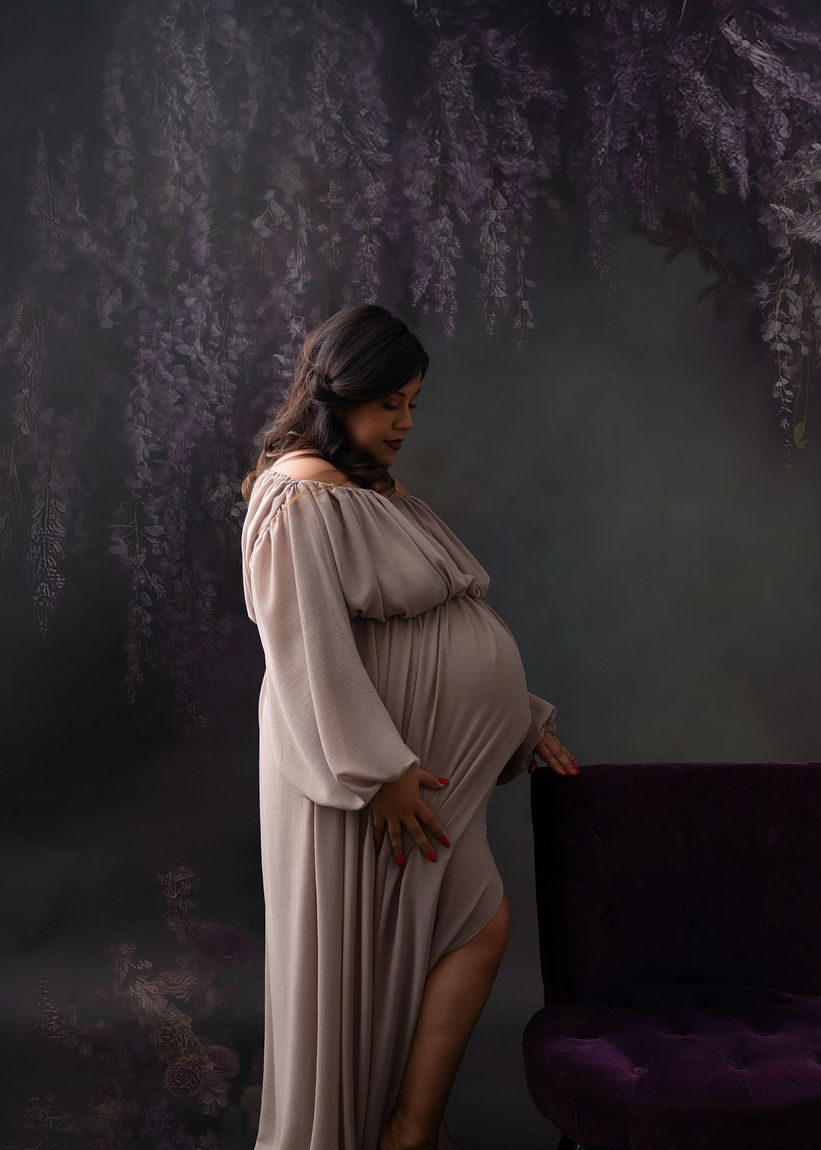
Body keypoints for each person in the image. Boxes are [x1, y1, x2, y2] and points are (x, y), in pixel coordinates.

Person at [239, 304, 579, 1150]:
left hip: (415, 768)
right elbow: (306, 649)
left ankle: (408, 1129)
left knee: (457, 933)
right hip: (372, 779)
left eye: (413, 405)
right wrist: (377, 770)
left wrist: (519, 720)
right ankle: (404, 1134)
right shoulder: (298, 494)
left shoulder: (362, 487)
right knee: (452, 936)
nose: (405, 423)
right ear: (341, 390)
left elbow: (432, 627)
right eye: (390, 402)